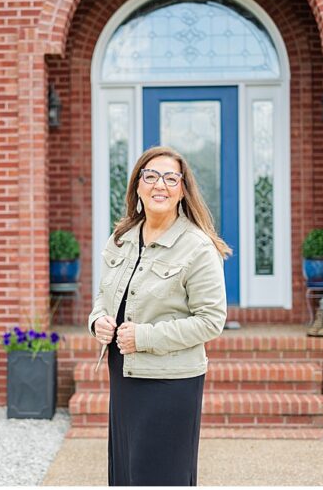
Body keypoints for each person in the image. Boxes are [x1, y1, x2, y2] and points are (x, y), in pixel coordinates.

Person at [88, 146, 229, 486]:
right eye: (150, 176)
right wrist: (98, 321)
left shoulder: (197, 246)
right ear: (137, 186)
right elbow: (103, 296)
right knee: (127, 473)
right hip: (124, 375)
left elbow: (211, 319)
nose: (159, 185)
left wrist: (144, 337)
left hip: (171, 382)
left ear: (182, 189)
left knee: (161, 475)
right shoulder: (121, 238)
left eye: (170, 177)